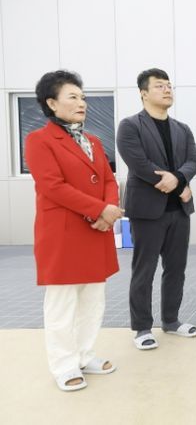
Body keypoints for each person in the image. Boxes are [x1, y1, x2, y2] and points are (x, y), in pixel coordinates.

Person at [25, 70, 122, 391]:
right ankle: (64, 365)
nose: (82, 103)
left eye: (83, 97)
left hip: (96, 230)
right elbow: (52, 186)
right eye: (73, 97)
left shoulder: (93, 140)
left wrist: (109, 210)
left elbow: (108, 179)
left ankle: (84, 354)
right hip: (64, 233)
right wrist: (99, 210)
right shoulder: (38, 141)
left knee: (93, 300)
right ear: (52, 103)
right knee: (62, 304)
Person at [117, 68, 196, 350]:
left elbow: (193, 161)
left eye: (169, 85)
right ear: (143, 93)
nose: (167, 90)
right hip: (147, 211)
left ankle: (171, 321)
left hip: (179, 210)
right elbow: (139, 164)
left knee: (176, 269)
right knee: (145, 270)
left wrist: (178, 179)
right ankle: (142, 328)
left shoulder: (182, 129)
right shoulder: (130, 126)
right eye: (159, 86)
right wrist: (178, 184)